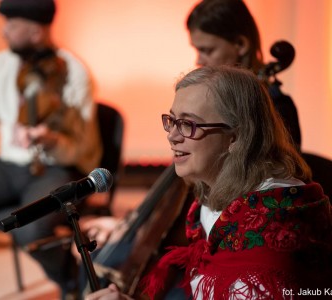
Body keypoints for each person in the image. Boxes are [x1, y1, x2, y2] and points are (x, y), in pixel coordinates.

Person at [86, 66, 332, 299]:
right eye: (172, 120)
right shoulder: (211, 199)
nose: (172, 136)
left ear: (235, 137)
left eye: (187, 124)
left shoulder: (274, 222)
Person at [0, 0, 102, 299]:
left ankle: (72, 280)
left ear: (35, 31)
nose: (4, 31)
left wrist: (51, 140)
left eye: (11, 24)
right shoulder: (1, 64)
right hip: (10, 167)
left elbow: (83, 149)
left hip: (56, 168)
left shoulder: (74, 72)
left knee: (31, 230)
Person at [186, 0, 302, 150]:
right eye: (197, 50)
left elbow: (285, 169)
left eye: (207, 50)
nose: (199, 61)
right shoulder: (214, 100)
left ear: (241, 44)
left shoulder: (277, 107)